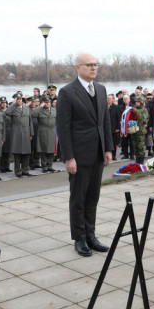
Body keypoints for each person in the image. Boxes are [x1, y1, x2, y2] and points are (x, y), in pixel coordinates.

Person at [57, 53, 113, 257]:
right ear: (78, 67)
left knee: (93, 197)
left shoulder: (100, 89)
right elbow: (63, 128)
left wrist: (108, 148)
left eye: (95, 64)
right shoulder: (67, 93)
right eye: (89, 65)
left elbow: (105, 121)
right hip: (79, 156)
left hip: (98, 153)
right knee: (78, 199)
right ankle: (79, 239)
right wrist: (69, 157)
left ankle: (91, 235)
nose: (93, 68)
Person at [5, 93, 34, 177]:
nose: (19, 100)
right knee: (17, 154)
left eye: (20, 99)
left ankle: (25, 170)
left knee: (26, 153)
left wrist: (31, 133)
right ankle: (18, 171)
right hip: (16, 133)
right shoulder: (13, 109)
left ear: (22, 100)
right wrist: (13, 104)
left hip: (26, 132)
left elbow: (30, 121)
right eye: (17, 99)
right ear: (15, 100)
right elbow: (7, 112)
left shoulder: (26, 109)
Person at [32, 96, 58, 173]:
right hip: (43, 131)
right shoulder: (40, 110)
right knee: (44, 149)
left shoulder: (54, 110)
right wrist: (40, 106)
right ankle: (44, 166)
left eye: (49, 102)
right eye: (46, 102)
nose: (48, 104)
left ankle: (50, 165)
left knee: (51, 149)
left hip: (52, 130)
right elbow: (33, 114)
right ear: (43, 103)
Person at [129, 96, 149, 164]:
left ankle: (141, 161)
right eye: (136, 102)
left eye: (138, 102)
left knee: (141, 146)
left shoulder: (144, 110)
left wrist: (137, 114)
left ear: (141, 102)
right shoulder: (133, 109)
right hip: (134, 131)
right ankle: (137, 160)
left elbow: (144, 120)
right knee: (135, 146)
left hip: (140, 131)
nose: (136, 103)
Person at [0, 97, 12, 173]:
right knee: (2, 151)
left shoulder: (9, 111)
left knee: (8, 151)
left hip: (9, 131)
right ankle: (1, 167)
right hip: (1, 131)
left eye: (4, 103)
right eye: (2, 103)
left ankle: (7, 166)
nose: (3, 104)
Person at [107, 94, 121, 160]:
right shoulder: (104, 106)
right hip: (106, 128)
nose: (108, 99)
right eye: (108, 98)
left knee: (113, 142)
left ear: (113, 99)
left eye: (110, 98)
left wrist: (118, 127)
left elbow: (119, 118)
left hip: (114, 128)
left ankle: (114, 155)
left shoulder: (116, 107)